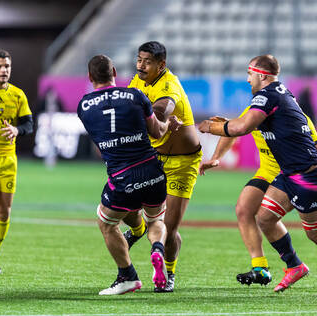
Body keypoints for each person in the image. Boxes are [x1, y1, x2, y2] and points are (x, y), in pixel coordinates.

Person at [199, 54, 317, 292]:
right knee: (264, 217)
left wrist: (209, 127)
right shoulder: (276, 95)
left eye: (250, 74)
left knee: (314, 235)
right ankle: (294, 265)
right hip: (287, 175)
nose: (247, 79)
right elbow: (239, 126)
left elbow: (241, 127)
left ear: (262, 75)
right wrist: (218, 151)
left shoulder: (268, 96)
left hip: (306, 176)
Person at [77, 54, 182, 295]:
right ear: (114, 72)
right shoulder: (136, 96)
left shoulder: (83, 106)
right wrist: (169, 124)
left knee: (106, 223)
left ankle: (127, 276)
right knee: (155, 220)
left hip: (122, 177)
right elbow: (157, 132)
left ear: (90, 77)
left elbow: (101, 139)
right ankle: (156, 248)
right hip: (152, 170)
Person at [122, 41, 202, 292]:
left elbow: (162, 108)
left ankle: (168, 274)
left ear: (161, 64)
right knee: (121, 203)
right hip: (153, 159)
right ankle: (138, 229)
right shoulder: (137, 81)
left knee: (169, 226)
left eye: (147, 61)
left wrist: (150, 115)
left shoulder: (170, 85)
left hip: (183, 162)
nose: (141, 65)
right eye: (139, 59)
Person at [0, 49, 33, 274]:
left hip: (8, 160)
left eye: (6, 67)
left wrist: (17, 130)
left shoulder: (18, 95)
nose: (3, 70)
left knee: (4, 212)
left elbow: (29, 125)